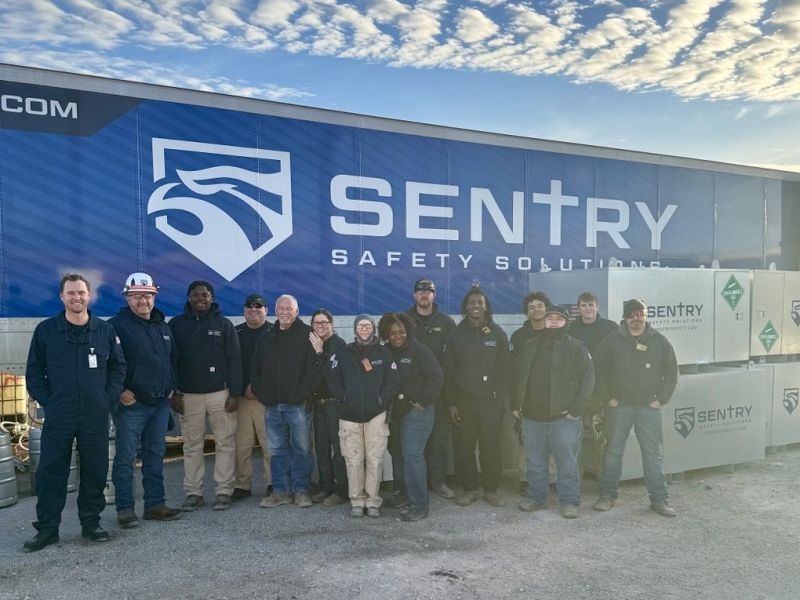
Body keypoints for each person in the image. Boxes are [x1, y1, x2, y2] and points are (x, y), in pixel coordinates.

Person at [23, 273, 126, 552]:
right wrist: (50, 401)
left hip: (94, 414)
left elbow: (118, 368)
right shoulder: (46, 330)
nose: (76, 297)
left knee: (95, 469)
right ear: (62, 297)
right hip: (60, 414)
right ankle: (47, 529)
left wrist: (107, 399)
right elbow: (34, 372)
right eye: (71, 293)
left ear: (89, 296)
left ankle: (91, 523)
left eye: (81, 292)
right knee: (51, 471)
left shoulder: (104, 330)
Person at [593, 299, 679, 517]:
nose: (636, 319)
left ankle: (659, 500)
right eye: (631, 315)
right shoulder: (611, 341)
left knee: (653, 455)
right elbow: (597, 370)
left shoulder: (659, 341)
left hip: (648, 408)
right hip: (618, 407)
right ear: (625, 318)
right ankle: (607, 496)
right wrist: (608, 398)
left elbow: (671, 372)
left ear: (645, 316)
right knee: (613, 453)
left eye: (640, 314)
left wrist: (661, 399)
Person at [110, 273, 181, 529]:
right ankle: (125, 509)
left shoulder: (163, 326)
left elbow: (172, 360)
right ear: (127, 298)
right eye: (137, 296)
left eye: (148, 295)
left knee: (155, 455)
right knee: (126, 457)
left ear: (155, 297)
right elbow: (109, 364)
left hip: (159, 403)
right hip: (132, 404)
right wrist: (120, 391)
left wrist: (171, 388)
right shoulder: (116, 326)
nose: (143, 301)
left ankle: (154, 505)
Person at [511, 305, 594, 518]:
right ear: (545, 321)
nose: (553, 322)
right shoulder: (531, 345)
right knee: (535, 462)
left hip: (563, 418)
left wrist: (575, 409)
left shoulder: (577, 347)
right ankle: (537, 498)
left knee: (567, 463)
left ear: (567, 322)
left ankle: (570, 502)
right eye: (550, 318)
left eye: (559, 319)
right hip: (532, 417)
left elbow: (589, 379)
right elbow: (517, 374)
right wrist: (515, 404)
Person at [169, 280, 242, 512]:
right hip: (188, 395)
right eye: (196, 294)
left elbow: (235, 360)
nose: (200, 298)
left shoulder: (224, 324)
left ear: (212, 298)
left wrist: (234, 393)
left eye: (205, 295)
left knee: (225, 443)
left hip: (220, 393)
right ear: (189, 297)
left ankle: (224, 491)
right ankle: (194, 493)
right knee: (192, 446)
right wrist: (174, 391)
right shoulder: (176, 324)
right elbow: (170, 361)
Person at [250, 295, 321, 509]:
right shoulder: (267, 335)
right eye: (281, 308)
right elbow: (256, 366)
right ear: (275, 311)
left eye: (289, 308)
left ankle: (302, 491)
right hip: (272, 405)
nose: (284, 312)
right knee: (277, 450)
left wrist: (301, 395)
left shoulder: (307, 334)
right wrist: (261, 393)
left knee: (302, 449)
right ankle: (281, 492)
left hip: (297, 405)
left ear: (297, 311)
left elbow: (313, 370)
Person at [444, 285, 511, 507]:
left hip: (491, 401)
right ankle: (470, 488)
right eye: (472, 302)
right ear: (466, 307)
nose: (476, 306)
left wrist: (499, 395)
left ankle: (491, 489)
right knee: (464, 447)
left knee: (491, 446)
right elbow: (448, 371)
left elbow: (506, 367)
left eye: (480, 303)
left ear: (486, 307)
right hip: (464, 401)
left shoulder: (497, 333)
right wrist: (452, 403)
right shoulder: (456, 335)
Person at [328, 315, 401, 518]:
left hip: (375, 415)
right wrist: (344, 397)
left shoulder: (384, 353)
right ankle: (357, 501)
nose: (364, 328)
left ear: (373, 329)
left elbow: (393, 381)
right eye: (361, 325)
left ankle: (373, 501)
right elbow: (332, 380)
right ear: (355, 329)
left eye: (368, 325)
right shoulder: (343, 353)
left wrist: (380, 399)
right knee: (353, 460)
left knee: (374, 459)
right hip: (349, 415)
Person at [379, 312, 443, 521]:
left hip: (417, 412)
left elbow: (436, 377)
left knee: (412, 456)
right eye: (393, 333)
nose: (397, 336)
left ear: (408, 331)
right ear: (386, 334)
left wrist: (422, 402)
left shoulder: (419, 350)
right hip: (395, 412)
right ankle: (403, 494)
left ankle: (419, 505)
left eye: (401, 332)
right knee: (397, 454)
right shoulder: (387, 351)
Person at [404, 278, 457, 499]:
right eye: (420, 291)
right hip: (413, 392)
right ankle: (417, 484)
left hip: (440, 390)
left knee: (439, 438)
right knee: (414, 441)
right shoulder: (405, 320)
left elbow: (454, 357)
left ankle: (438, 482)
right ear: (414, 295)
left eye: (428, 291)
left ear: (434, 295)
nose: (424, 294)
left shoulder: (446, 322)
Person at [567, 291, 619, 477]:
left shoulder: (611, 328)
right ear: (578, 308)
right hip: (577, 393)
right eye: (583, 305)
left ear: (597, 306)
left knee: (599, 436)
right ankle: (575, 478)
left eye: (591, 305)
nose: (587, 309)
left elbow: (619, 359)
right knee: (574, 437)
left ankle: (602, 477)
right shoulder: (571, 329)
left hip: (600, 395)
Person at [509, 291, 551, 493]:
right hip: (527, 398)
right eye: (531, 307)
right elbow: (512, 372)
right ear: (527, 312)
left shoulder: (557, 333)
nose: (536, 310)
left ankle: (553, 479)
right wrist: (514, 403)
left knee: (554, 438)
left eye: (540, 306)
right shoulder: (519, 336)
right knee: (528, 440)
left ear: (546, 308)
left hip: (552, 396)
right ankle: (526, 479)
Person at [232, 293, 272, 500]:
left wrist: (257, 386)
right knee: (242, 445)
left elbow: (277, 366)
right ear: (244, 310)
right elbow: (230, 363)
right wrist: (240, 389)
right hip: (242, 398)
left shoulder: (274, 332)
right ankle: (242, 485)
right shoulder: (235, 332)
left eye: (259, 306)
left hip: (266, 398)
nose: (254, 309)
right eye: (250, 306)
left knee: (269, 444)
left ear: (266, 310)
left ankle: (273, 483)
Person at [308, 309, 348, 507]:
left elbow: (331, 376)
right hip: (319, 404)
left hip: (334, 404)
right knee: (322, 449)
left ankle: (342, 490)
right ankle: (326, 487)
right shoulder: (313, 344)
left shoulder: (338, 345)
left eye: (324, 322)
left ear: (331, 323)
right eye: (316, 323)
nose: (320, 326)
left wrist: (319, 352)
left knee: (338, 450)